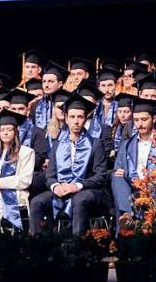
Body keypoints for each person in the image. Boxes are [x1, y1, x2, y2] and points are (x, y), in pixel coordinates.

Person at [30, 97, 112, 236]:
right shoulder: (57, 144)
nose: (76, 121)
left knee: (79, 200)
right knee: (37, 202)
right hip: (61, 189)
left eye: (80, 117)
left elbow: (100, 176)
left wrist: (76, 186)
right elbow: (50, 174)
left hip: (88, 190)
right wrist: (56, 186)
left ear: (85, 119)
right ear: (66, 118)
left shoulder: (95, 144)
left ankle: (76, 247)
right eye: (72, 117)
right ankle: (39, 247)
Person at [112, 96, 156, 216]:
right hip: (131, 188)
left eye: (144, 119)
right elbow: (118, 169)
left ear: (153, 119)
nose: (139, 124)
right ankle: (127, 216)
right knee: (116, 177)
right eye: (136, 120)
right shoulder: (126, 145)